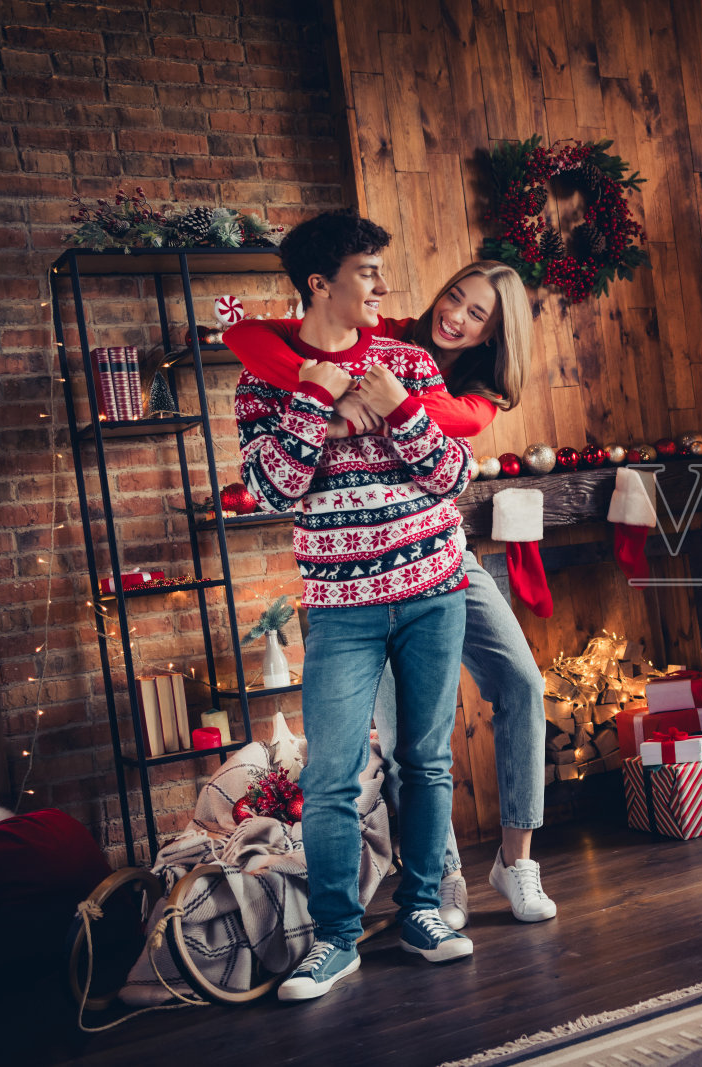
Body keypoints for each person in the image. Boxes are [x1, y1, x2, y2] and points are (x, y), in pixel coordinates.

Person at [226, 261, 556, 930]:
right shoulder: (391, 336)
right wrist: (326, 388)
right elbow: (253, 340)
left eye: (477, 315)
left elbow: (451, 445)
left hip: (444, 557)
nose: (455, 316)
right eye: (454, 297)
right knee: (412, 737)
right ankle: (445, 877)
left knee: (522, 682)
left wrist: (389, 402)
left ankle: (517, 860)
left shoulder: (479, 390)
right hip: (361, 583)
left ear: (496, 336)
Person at [237, 210, 475, 1000]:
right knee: (333, 774)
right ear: (320, 283)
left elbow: (453, 476)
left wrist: (398, 407)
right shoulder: (264, 383)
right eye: (366, 270)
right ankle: (336, 939)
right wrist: (317, 401)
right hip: (340, 607)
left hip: (433, 590)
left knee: (427, 759)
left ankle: (422, 913)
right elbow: (272, 486)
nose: (381, 283)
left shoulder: (409, 360)